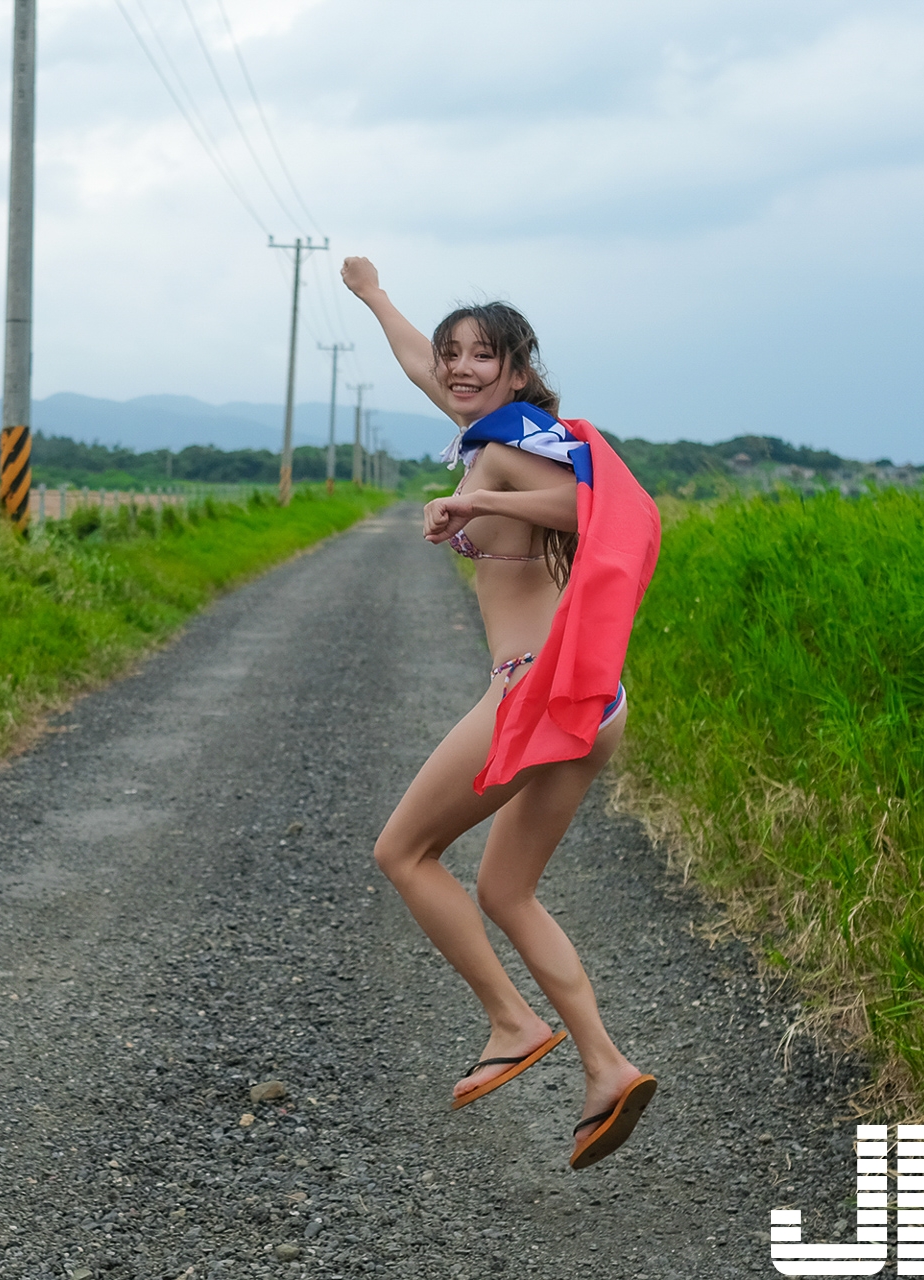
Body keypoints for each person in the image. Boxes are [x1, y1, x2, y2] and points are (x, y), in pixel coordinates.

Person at [342, 255, 660, 1170]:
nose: (457, 367)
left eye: (482, 356)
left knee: (402, 853)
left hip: (532, 688)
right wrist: (373, 297)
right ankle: (606, 1068)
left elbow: (588, 505)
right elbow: (413, 360)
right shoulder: (491, 429)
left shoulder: (516, 444)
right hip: (591, 702)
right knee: (505, 890)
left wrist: (475, 498)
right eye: (453, 356)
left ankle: (511, 1022)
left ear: (518, 371)